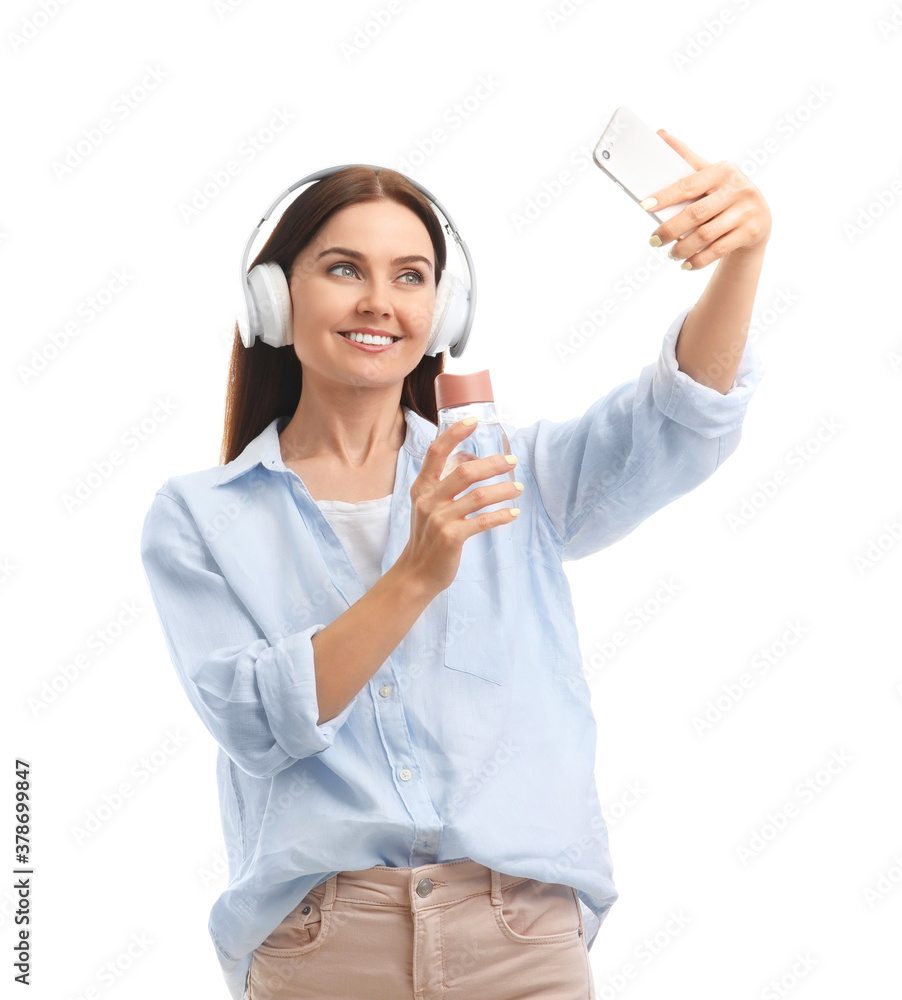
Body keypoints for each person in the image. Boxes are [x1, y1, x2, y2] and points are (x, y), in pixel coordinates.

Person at [140, 144, 770, 1000]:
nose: (378, 302)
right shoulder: (199, 517)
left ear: (446, 310)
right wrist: (416, 574)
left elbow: (674, 425)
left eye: (410, 276)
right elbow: (256, 722)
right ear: (275, 297)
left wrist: (741, 262)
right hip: (324, 947)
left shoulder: (511, 473)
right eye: (342, 269)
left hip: (519, 938)